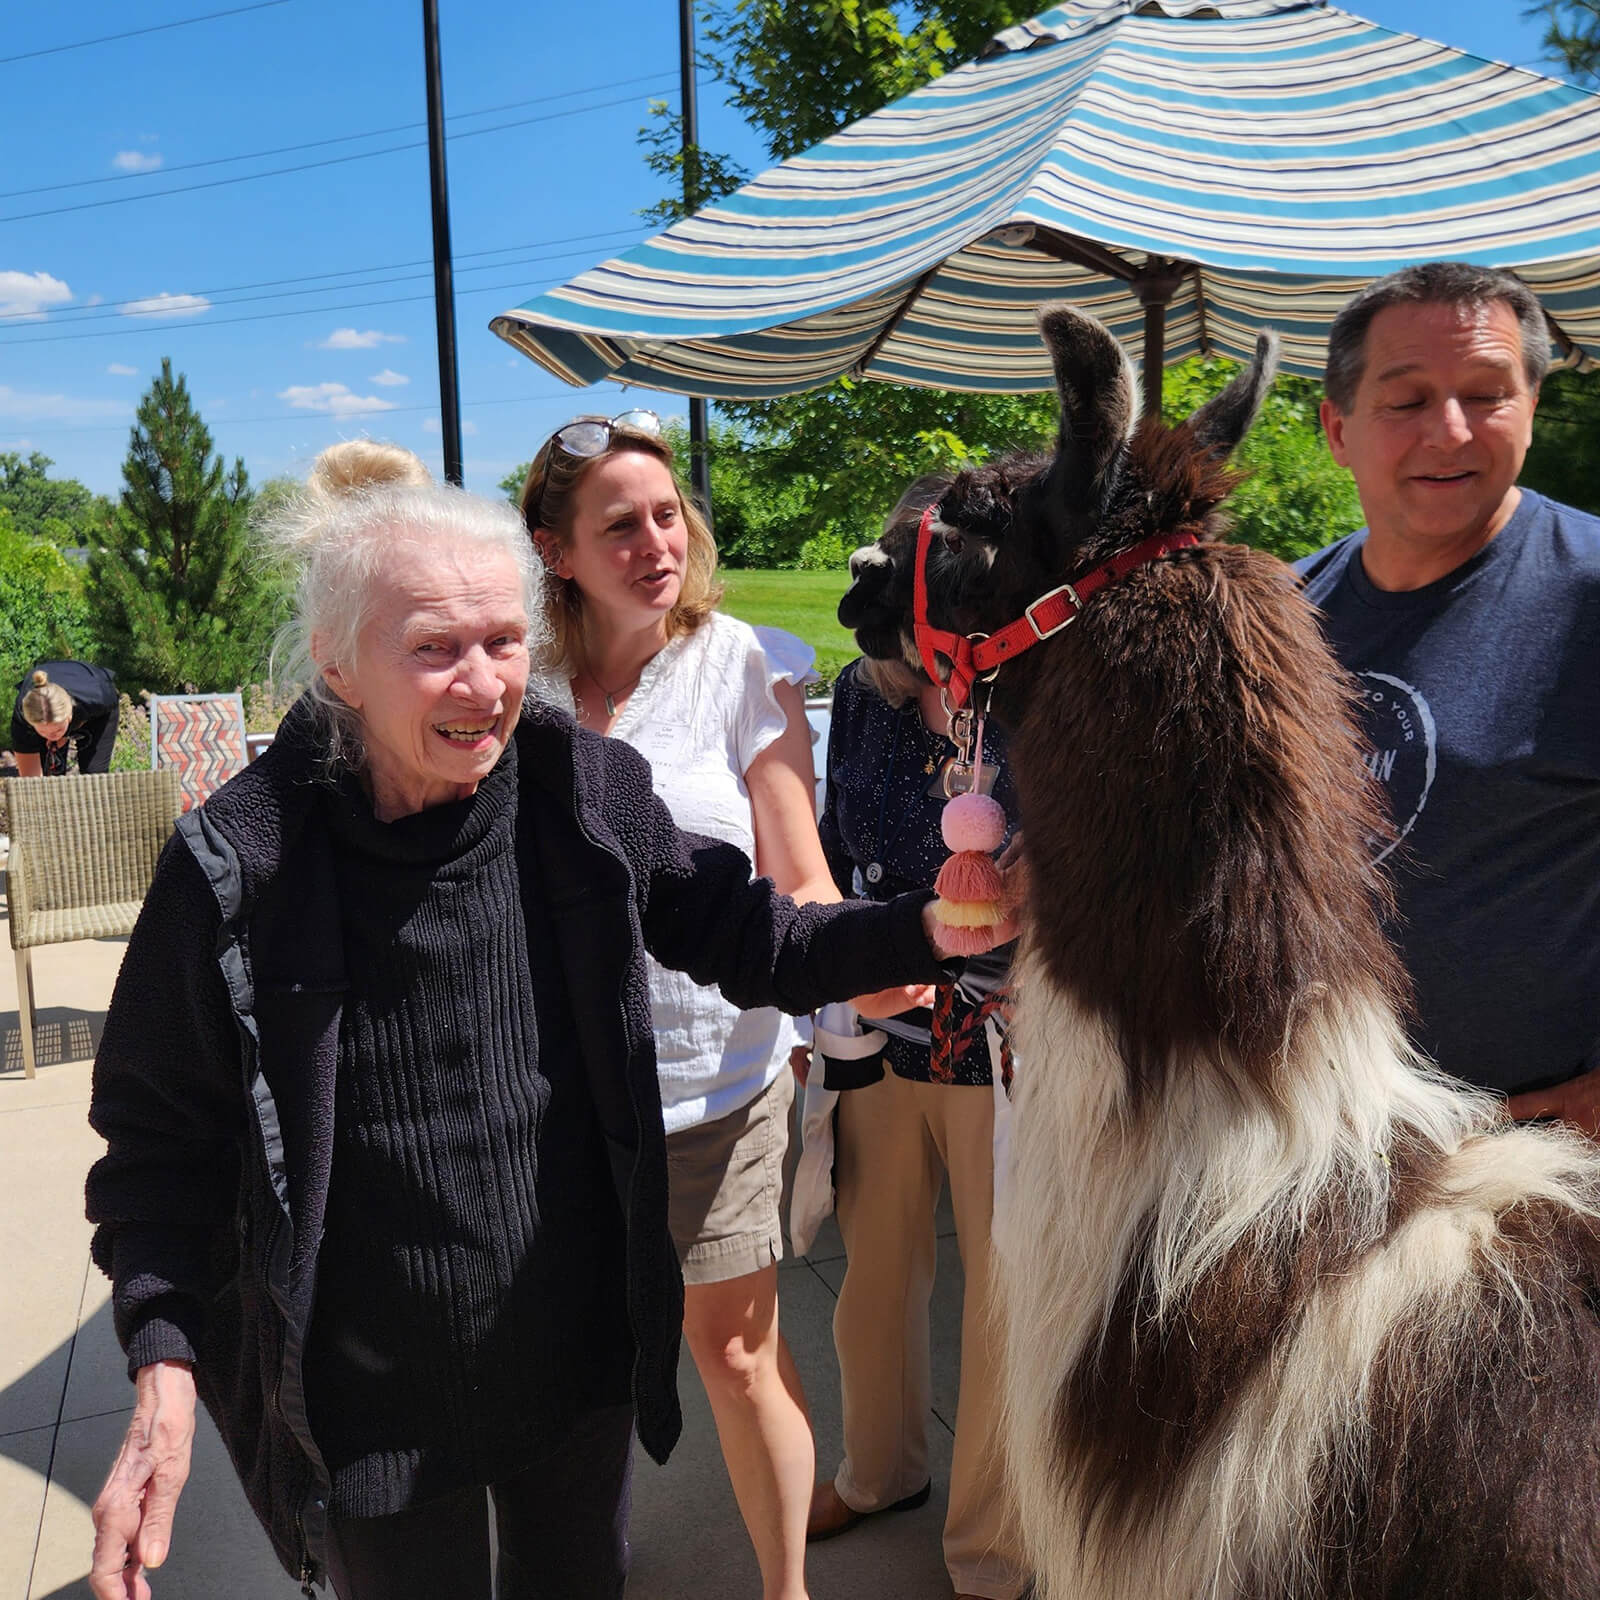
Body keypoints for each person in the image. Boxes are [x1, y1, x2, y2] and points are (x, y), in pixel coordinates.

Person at [85, 445, 1002, 1600]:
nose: (482, 685)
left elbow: (751, 933)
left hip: (569, 1351)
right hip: (371, 1395)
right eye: (433, 648)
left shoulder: (583, 789)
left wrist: (930, 926)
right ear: (336, 660)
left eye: (503, 642)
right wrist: (164, 1370)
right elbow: (157, 1145)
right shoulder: (238, 861)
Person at [520, 409, 875, 1600]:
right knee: (572, 1360)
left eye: (667, 515)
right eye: (618, 525)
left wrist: (862, 955)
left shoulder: (743, 664)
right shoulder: (520, 684)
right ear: (555, 549)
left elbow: (797, 869)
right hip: (557, 1090)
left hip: (713, 1083)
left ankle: (785, 1592)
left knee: (730, 1353)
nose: (655, 543)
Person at [1300, 260, 1600, 1131]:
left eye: (1488, 393)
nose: (1453, 431)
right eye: (1408, 400)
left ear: (1533, 411)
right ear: (1338, 428)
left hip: (1543, 1190)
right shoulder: (1282, 618)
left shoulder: (1587, 594)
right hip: (1319, 1164)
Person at [802, 479, 1028, 1600]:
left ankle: (992, 1547)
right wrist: (837, 988)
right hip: (883, 1034)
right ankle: (877, 1469)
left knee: (1002, 1296)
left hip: (1009, 1042)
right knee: (874, 1271)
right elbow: (835, 844)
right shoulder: (864, 694)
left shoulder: (1036, 688)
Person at [9, 659, 119, 776]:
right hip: (60, 713)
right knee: (50, 776)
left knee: (94, 775)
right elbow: (30, 779)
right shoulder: (23, 717)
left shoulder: (99, 699)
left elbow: (108, 707)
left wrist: (64, 735)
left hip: (94, 707)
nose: (52, 736)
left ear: (70, 716)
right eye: (42, 731)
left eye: (57, 729)